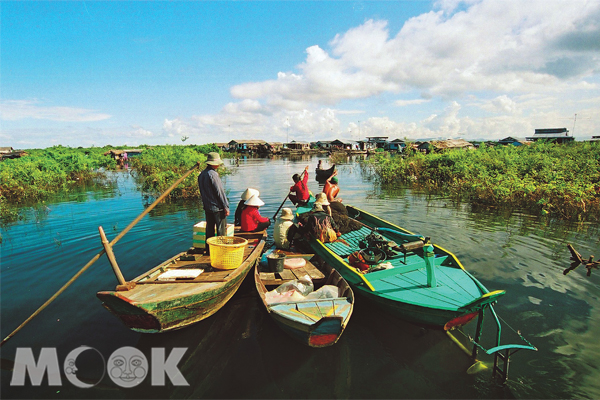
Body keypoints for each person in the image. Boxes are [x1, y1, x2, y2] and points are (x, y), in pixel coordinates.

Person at [198, 152, 229, 255]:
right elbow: (219, 192)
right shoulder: (213, 174)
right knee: (221, 231)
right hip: (217, 208)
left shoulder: (202, 174)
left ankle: (209, 251)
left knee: (209, 230)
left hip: (208, 207)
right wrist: (225, 206)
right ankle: (221, 251)